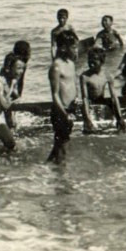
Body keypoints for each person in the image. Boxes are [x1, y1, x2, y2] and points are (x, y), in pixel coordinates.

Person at [46, 31, 79, 164]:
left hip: (71, 108)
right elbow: (55, 94)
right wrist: (64, 113)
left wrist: (77, 99)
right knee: (63, 144)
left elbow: (72, 85)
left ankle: (48, 167)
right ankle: (61, 175)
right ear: (64, 48)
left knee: (60, 143)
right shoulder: (56, 67)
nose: (76, 50)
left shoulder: (71, 64)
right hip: (61, 110)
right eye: (74, 47)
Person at [78, 46, 126, 133]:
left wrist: (119, 117)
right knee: (83, 103)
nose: (91, 63)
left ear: (101, 62)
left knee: (112, 101)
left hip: (101, 100)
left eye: (94, 61)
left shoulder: (107, 75)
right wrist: (87, 118)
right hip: (89, 102)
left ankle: (119, 121)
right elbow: (85, 98)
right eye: (89, 60)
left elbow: (114, 96)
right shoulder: (85, 76)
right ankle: (88, 123)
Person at [1, 40, 31, 130]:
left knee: (12, 107)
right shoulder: (10, 59)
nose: (30, 55)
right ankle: (10, 127)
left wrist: (19, 95)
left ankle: (12, 125)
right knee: (8, 107)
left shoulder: (23, 64)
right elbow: (5, 74)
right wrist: (15, 93)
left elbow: (21, 81)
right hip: (5, 84)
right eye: (29, 52)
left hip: (12, 85)